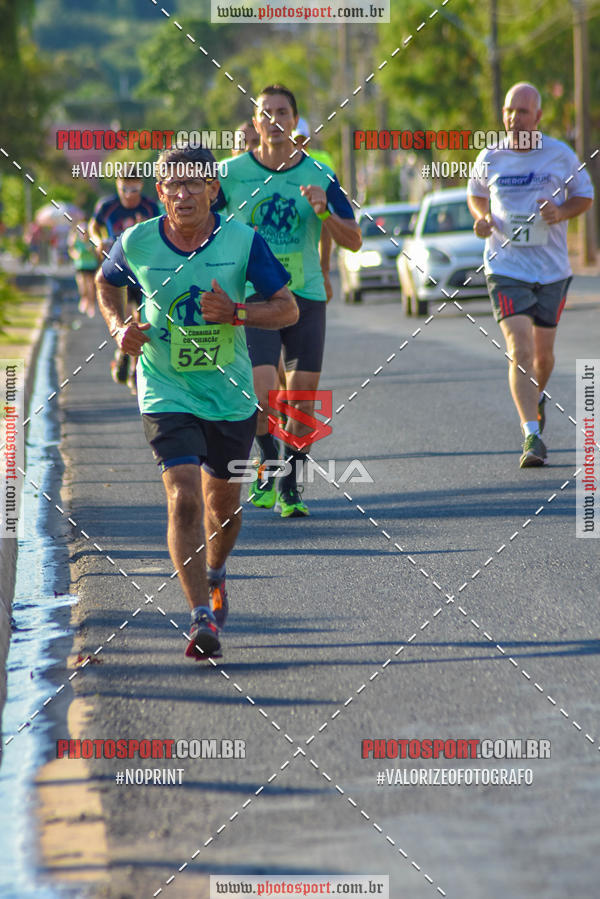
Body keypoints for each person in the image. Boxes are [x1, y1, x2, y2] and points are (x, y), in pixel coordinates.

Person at [95, 145, 297, 660]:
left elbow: (287, 309)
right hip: (165, 389)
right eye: (172, 187)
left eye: (193, 185)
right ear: (159, 193)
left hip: (229, 395)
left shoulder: (243, 241)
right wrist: (119, 327)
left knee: (222, 506)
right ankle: (199, 616)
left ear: (213, 190)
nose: (182, 195)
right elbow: (106, 283)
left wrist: (237, 312)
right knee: (183, 496)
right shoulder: (136, 241)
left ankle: (216, 572)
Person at [216, 84, 361, 517]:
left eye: (283, 112)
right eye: (267, 112)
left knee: (300, 400)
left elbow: (354, 240)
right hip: (257, 297)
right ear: (256, 122)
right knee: (262, 396)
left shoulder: (319, 174)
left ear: (295, 121)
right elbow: (199, 221)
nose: (275, 120)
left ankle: (290, 483)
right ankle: (276, 469)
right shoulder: (230, 173)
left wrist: (323, 212)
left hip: (306, 297)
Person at [468, 82, 594, 468]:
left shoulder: (560, 155)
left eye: (522, 112)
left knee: (543, 356)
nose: (514, 118)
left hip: (552, 270)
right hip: (505, 268)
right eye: (509, 110)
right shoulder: (490, 155)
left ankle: (536, 397)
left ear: (538, 117)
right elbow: (476, 193)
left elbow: (584, 196)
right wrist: (482, 218)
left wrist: (560, 212)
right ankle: (531, 436)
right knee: (519, 347)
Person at [89, 175, 160, 391]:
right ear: (118, 186)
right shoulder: (107, 206)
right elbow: (93, 227)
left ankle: (134, 370)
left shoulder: (150, 206)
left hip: (142, 270)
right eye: (125, 188)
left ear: (141, 187)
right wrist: (98, 241)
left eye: (134, 188)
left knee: (140, 318)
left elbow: (161, 230)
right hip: (117, 270)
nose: (129, 194)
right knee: (124, 318)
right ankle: (123, 351)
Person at [68, 221, 97, 317]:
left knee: (91, 287)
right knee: (82, 286)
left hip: (91, 266)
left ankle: (91, 305)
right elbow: (71, 250)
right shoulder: (76, 241)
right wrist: (75, 254)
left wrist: (92, 251)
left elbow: (98, 252)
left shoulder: (92, 241)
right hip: (80, 266)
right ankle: (84, 298)